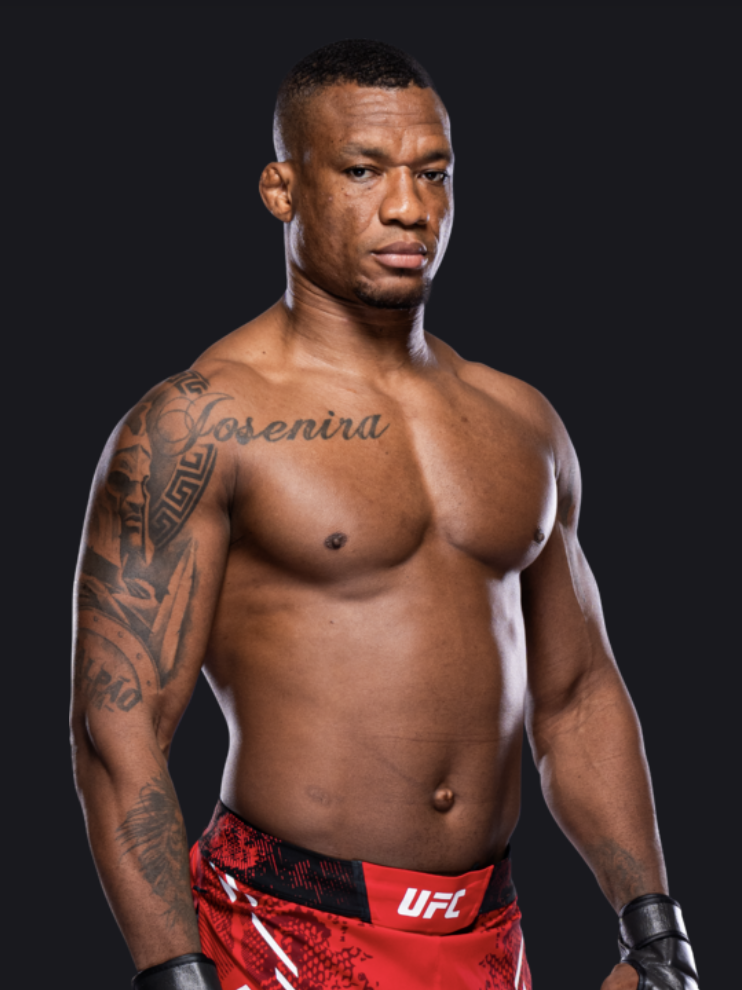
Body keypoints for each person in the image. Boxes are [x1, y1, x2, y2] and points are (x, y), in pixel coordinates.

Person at [70, 39, 699, 990]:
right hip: (280, 931)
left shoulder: (520, 422)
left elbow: (575, 695)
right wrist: (175, 974)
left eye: (432, 173)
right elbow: (117, 729)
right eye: (363, 171)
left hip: (488, 937)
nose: (409, 207)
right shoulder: (199, 423)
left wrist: (654, 928)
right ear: (283, 189)